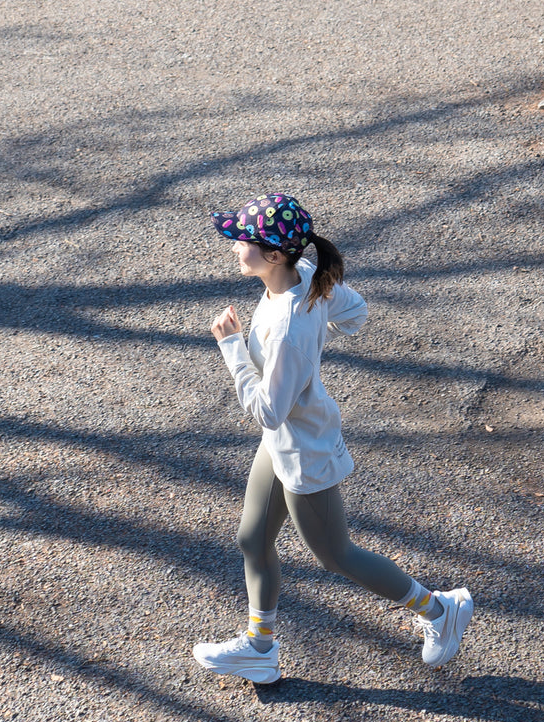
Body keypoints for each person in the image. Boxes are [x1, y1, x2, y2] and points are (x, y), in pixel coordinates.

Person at [192, 193, 473, 683]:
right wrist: (316, 335)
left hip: (303, 451)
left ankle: (439, 610)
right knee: (253, 538)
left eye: (243, 240)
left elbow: (268, 410)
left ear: (274, 254)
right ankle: (260, 648)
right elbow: (356, 311)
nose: (235, 247)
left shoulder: (286, 328)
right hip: (281, 445)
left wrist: (232, 348)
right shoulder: (299, 280)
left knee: (336, 555)